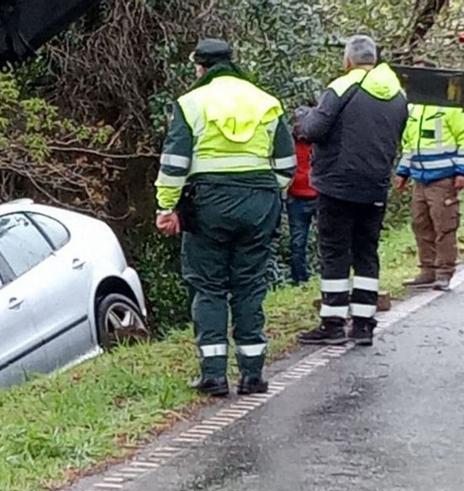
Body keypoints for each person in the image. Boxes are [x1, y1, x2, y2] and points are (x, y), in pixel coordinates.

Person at [155, 39, 296, 397]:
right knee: (250, 287)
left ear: (200, 67)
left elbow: (174, 165)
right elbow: (286, 167)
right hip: (259, 202)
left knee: (209, 286)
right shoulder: (266, 102)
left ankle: (214, 375)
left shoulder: (190, 103)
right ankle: (253, 375)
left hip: (209, 207)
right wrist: (264, 195)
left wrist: (167, 207)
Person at [295, 35, 408, 347]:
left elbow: (313, 129)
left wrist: (303, 116)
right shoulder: (398, 93)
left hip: (337, 183)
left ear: (348, 61)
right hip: (375, 184)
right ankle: (363, 325)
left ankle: (332, 323)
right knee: (366, 252)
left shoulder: (343, 87)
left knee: (335, 252)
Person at [394, 64, 464, 291]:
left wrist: (461, 171)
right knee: (420, 223)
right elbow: (409, 145)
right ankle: (427, 270)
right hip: (420, 178)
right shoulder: (413, 109)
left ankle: (444, 271)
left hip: (444, 178)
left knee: (444, 225)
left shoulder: (450, 108)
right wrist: (402, 173)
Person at [288, 116, 319, 285]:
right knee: (297, 242)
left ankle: (327, 275)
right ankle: (300, 279)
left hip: (318, 195)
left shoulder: (319, 141)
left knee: (328, 239)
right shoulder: (290, 145)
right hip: (297, 197)